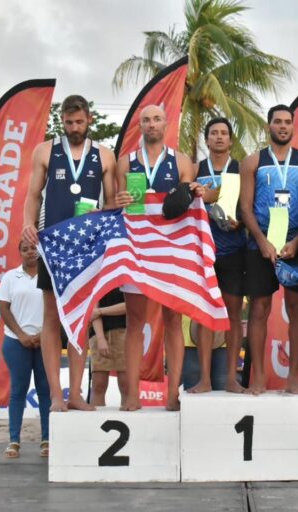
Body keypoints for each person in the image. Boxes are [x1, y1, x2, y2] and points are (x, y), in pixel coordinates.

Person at [22, 95, 117, 412]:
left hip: (87, 247)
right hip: (53, 245)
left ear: (89, 119)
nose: (74, 127)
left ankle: (76, 393)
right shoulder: (45, 150)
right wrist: (27, 224)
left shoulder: (105, 155)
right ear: (61, 121)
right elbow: (34, 194)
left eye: (79, 121)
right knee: (52, 318)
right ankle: (54, 394)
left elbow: (113, 203)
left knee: (81, 319)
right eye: (68, 122)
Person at [114, 104, 203, 411]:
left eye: (156, 119)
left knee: (172, 320)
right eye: (146, 120)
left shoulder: (181, 161)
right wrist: (119, 198)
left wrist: (198, 191)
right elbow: (116, 204)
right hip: (137, 248)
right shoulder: (125, 162)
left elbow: (190, 202)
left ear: (167, 124)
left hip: (170, 250)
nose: (151, 124)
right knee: (135, 321)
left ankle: (172, 394)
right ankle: (133, 394)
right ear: (140, 126)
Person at [239, 104, 298, 395]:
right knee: (259, 309)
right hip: (260, 245)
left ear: (293, 126)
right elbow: (244, 208)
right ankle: (258, 377)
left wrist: (297, 242)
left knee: (296, 310)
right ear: (268, 126)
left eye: (287, 122)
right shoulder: (252, 162)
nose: (282, 126)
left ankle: (293, 378)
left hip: (295, 246)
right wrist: (262, 241)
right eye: (277, 122)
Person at [188, 117, 247, 394]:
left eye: (224, 133)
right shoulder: (195, 169)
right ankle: (205, 379)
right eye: (214, 133)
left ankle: (232, 378)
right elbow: (184, 203)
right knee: (204, 315)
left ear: (231, 140)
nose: (219, 137)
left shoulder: (241, 168)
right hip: (202, 252)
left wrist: (242, 223)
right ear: (207, 139)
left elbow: (249, 206)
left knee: (233, 314)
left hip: (234, 250)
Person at [0, 240, 49, 458]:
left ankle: (47, 440)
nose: (30, 252)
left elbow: (56, 308)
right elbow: (3, 308)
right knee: (18, 390)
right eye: (25, 248)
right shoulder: (10, 277)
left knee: (45, 390)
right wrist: (22, 335)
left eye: (33, 247)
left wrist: (43, 335)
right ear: (20, 252)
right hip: (16, 341)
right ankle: (14, 441)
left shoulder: (49, 274)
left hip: (45, 341)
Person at [88, 288, 127, 407]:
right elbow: (92, 310)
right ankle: (96, 421)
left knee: (127, 384)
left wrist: (101, 311)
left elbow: (130, 305)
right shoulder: (98, 276)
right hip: (98, 333)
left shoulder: (128, 275)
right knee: (98, 384)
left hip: (125, 332)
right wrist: (100, 338)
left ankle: (128, 418)